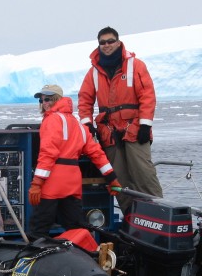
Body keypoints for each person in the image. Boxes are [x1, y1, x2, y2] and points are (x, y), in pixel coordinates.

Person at [78, 27, 163, 215]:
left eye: (110, 41)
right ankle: (130, 219)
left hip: (134, 131)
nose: (107, 45)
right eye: (102, 42)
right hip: (109, 134)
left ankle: (158, 216)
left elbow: (147, 96)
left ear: (118, 42)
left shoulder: (135, 65)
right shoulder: (93, 73)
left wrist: (145, 125)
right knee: (118, 181)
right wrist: (86, 124)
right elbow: (84, 100)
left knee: (144, 176)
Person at [28, 84, 121, 240]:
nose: (44, 102)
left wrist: (37, 183)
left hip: (53, 181)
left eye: (48, 99)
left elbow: (48, 154)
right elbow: (96, 153)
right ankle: (86, 254)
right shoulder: (79, 125)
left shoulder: (51, 120)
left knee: (39, 228)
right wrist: (112, 179)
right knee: (75, 227)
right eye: (41, 100)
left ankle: (36, 259)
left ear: (57, 99)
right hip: (72, 182)